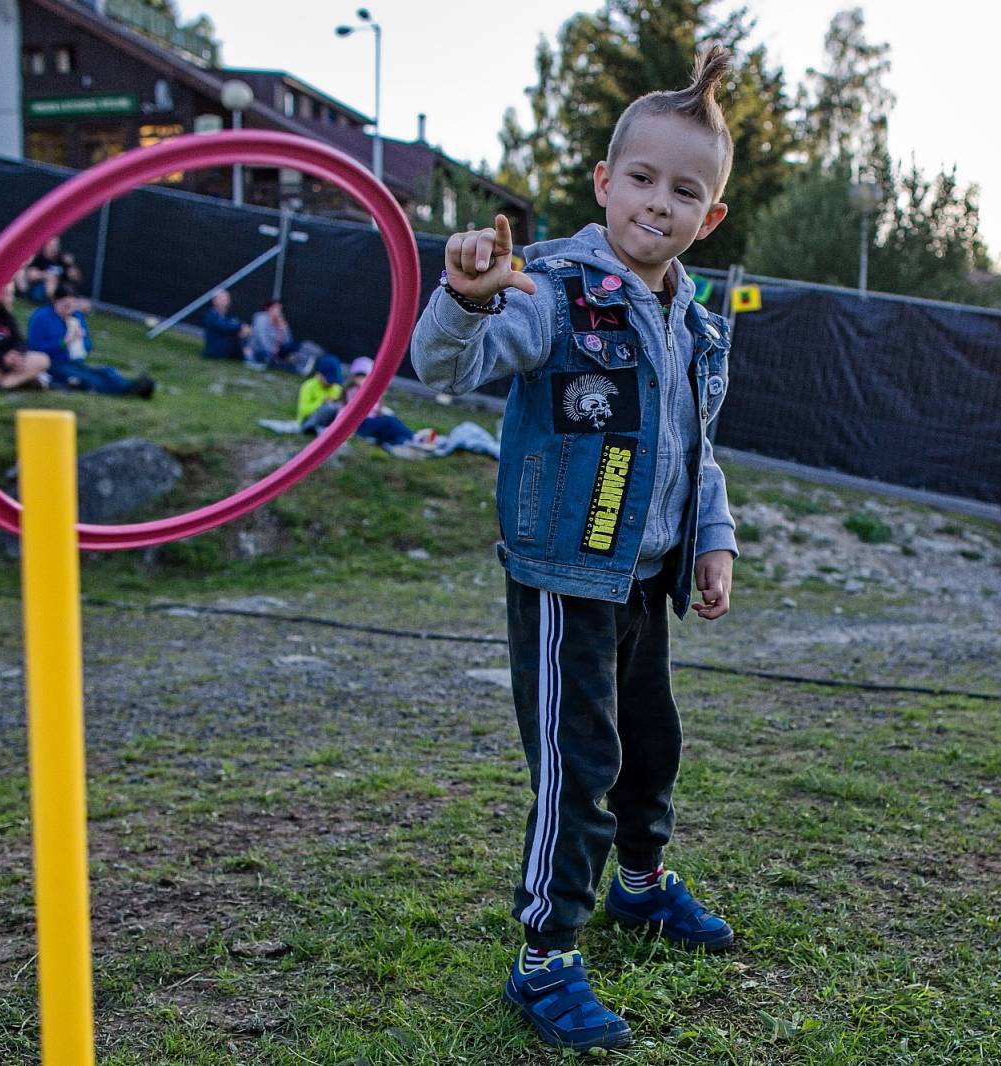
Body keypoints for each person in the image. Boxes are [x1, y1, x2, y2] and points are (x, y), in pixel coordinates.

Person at [410, 48, 738, 1052]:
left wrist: (712, 539)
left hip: (646, 583)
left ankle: (639, 884)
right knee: (577, 763)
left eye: (685, 191)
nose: (659, 202)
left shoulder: (698, 324)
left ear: (711, 216)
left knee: (651, 745)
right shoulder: (551, 291)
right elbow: (443, 367)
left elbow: (695, 450)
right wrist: (465, 296)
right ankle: (545, 956)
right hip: (565, 578)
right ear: (603, 182)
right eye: (641, 177)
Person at [27, 284, 154, 398]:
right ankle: (125, 390)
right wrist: (64, 342)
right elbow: (35, 348)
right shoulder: (41, 317)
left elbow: (88, 345)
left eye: (72, 305)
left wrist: (81, 342)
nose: (69, 309)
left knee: (106, 371)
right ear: (55, 301)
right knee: (85, 378)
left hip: (75, 361)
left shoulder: (76, 316)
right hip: (53, 363)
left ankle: (130, 384)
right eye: (65, 305)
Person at [250, 298, 308, 372]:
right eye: (276, 308)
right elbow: (262, 339)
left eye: (280, 309)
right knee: (271, 359)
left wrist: (284, 328)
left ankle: (302, 363)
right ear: (269, 308)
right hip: (261, 350)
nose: (279, 311)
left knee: (294, 346)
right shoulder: (261, 318)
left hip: (277, 351)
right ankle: (292, 367)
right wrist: (272, 351)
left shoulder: (278, 322)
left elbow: (288, 341)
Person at [25, 235, 83, 303]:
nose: (54, 248)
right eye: (51, 245)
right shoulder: (39, 259)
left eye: (56, 245)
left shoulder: (62, 259)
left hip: (61, 290)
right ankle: (53, 302)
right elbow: (30, 275)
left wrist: (72, 264)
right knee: (51, 279)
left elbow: (78, 279)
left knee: (69, 289)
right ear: (45, 246)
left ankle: (63, 301)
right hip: (40, 290)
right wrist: (46, 275)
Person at [296, 354, 343, 431]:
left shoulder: (337, 389)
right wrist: (321, 402)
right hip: (307, 421)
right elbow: (303, 410)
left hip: (327, 423)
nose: (331, 383)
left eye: (334, 381)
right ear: (319, 375)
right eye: (328, 380)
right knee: (328, 408)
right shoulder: (308, 386)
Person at [201, 289, 250, 359]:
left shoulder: (229, 315)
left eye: (226, 298)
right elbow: (224, 326)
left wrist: (243, 328)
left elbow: (235, 324)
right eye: (221, 298)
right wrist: (240, 327)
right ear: (214, 300)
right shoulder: (210, 314)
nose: (225, 300)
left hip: (229, 349)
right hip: (216, 351)